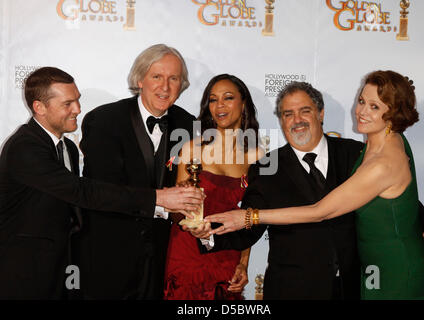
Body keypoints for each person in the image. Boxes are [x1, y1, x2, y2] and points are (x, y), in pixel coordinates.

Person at [206, 71, 424, 299]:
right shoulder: (267, 167)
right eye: (288, 114)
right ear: (281, 121)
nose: (296, 120)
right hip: (295, 291)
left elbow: (402, 204)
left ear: (321, 113)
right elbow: (248, 231)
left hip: (357, 286)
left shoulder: (356, 154)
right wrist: (208, 233)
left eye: (304, 111)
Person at [0, 67, 202, 299]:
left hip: (60, 272)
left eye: (77, 100)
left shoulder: (67, 149)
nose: (77, 109)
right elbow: (81, 191)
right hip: (23, 275)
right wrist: (159, 198)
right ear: (40, 108)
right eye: (68, 104)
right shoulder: (25, 147)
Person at [77, 44, 198, 299]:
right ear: (140, 79)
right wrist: (160, 198)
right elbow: (102, 191)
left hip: (163, 259)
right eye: (157, 76)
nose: (165, 87)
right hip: (109, 255)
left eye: (173, 78)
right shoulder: (104, 120)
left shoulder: (189, 125)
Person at [163, 74, 263, 300]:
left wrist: (243, 263)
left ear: (243, 103)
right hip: (187, 254)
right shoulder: (190, 149)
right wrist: (191, 225)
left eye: (228, 98)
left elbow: (250, 216)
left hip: (227, 256)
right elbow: (176, 210)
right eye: (213, 99)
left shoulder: (257, 156)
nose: (220, 106)